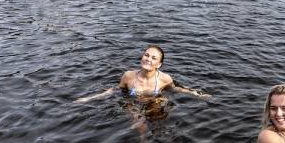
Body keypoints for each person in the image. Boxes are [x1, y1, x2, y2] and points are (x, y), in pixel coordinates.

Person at [75, 45, 209, 103]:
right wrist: (89, 99)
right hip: (134, 103)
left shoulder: (164, 78)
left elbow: (175, 89)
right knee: (139, 124)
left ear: (159, 64)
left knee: (159, 105)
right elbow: (115, 90)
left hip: (155, 101)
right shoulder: (128, 76)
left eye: (154, 58)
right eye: (146, 55)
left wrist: (196, 94)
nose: (148, 59)